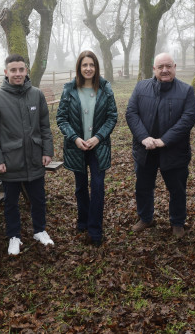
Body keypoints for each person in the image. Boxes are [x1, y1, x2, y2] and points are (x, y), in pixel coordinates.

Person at [0, 54, 55, 256]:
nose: (17, 74)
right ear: (6, 72)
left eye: (21, 70)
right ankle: (14, 236)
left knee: (39, 199)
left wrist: (47, 151)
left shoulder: (37, 95)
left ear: (26, 71)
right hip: (9, 161)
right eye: (13, 70)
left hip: (34, 158)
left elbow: (45, 127)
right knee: (11, 203)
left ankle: (40, 230)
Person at [125, 52, 195, 238]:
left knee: (177, 189)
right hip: (145, 150)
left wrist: (164, 140)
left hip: (174, 151)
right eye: (160, 67)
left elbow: (187, 119)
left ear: (174, 67)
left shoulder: (186, 90)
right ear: (154, 69)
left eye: (168, 66)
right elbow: (131, 113)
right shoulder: (141, 87)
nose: (164, 70)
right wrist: (143, 137)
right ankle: (146, 217)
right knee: (143, 186)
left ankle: (177, 222)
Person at [56, 51, 118, 246]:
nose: (88, 68)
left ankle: (95, 230)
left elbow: (112, 117)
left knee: (98, 187)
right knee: (81, 187)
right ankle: (83, 220)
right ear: (79, 68)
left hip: (98, 147)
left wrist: (98, 137)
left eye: (91, 64)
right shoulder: (69, 89)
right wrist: (74, 138)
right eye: (85, 65)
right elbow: (61, 118)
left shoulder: (105, 89)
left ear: (96, 67)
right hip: (77, 147)